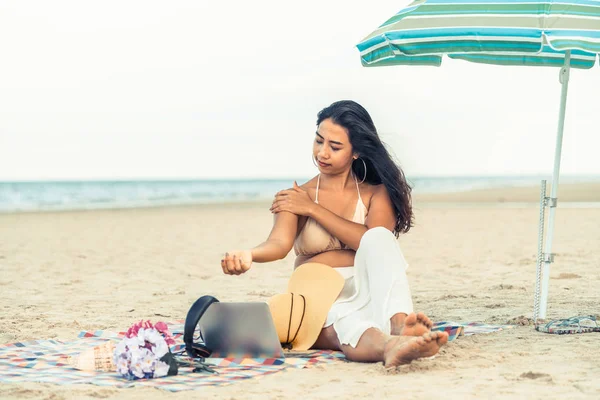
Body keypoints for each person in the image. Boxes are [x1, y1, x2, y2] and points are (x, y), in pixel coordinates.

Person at [220, 100, 448, 367]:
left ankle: (399, 326)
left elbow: (370, 243)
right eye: (319, 141)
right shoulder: (297, 196)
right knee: (346, 321)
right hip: (317, 292)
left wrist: (314, 210)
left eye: (335, 146)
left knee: (379, 238)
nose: (322, 153)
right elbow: (278, 244)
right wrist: (249, 254)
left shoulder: (375, 193)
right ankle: (392, 345)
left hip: (367, 286)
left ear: (356, 152)